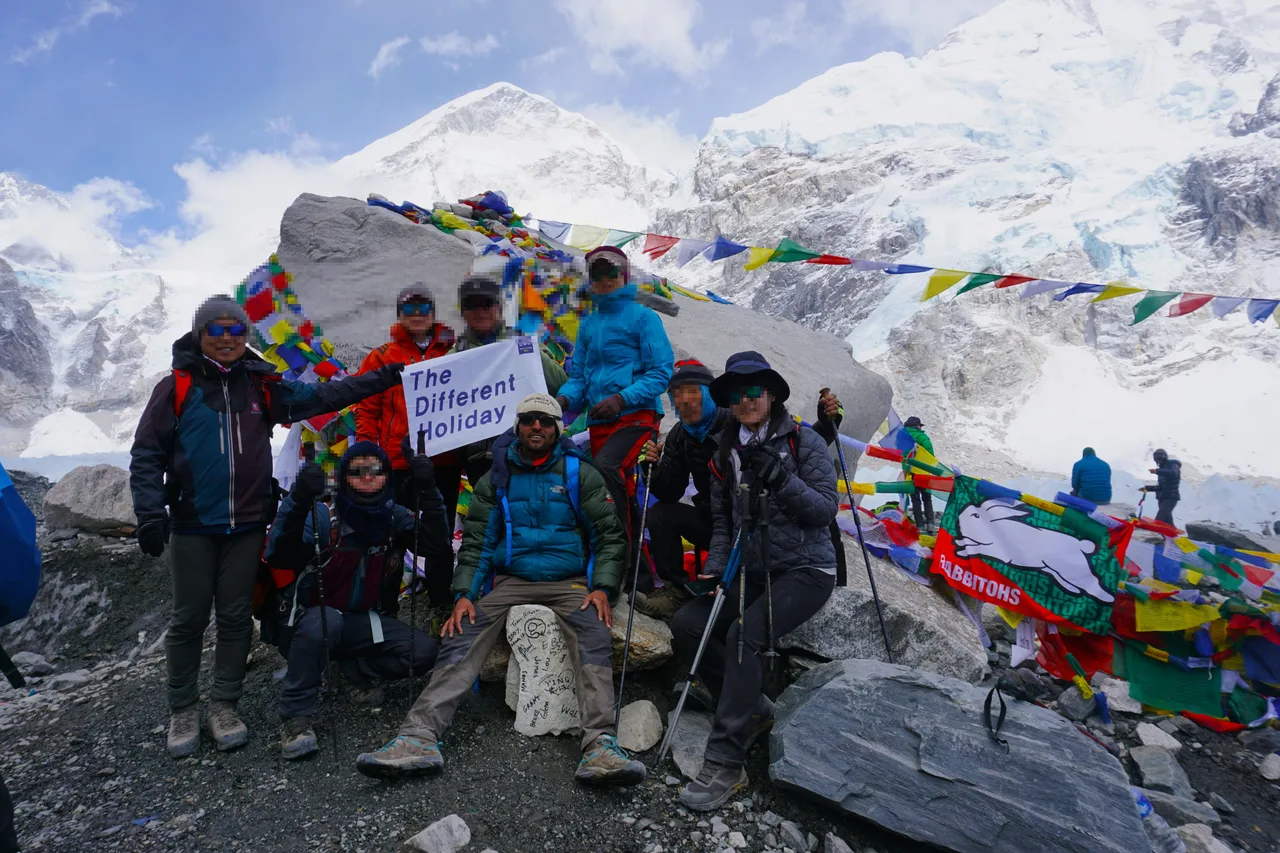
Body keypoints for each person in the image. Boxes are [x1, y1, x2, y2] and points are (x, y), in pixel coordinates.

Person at [130, 295, 405, 759]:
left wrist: (381, 379)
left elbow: (323, 396)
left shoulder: (261, 386)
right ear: (199, 335)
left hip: (249, 523)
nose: (226, 339)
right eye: (215, 330)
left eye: (236, 331)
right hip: (194, 522)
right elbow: (147, 454)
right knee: (189, 618)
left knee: (237, 616)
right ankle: (182, 708)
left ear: (246, 338)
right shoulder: (176, 387)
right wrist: (150, 512)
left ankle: (224, 705)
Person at [354, 393, 645, 786]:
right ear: (517, 427)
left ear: (558, 427)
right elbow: (477, 543)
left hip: (570, 581)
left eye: (544, 419)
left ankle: (600, 746)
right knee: (463, 630)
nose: (536, 426)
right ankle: (418, 737)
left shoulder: (580, 473)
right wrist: (463, 596)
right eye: (528, 419)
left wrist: (604, 589)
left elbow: (611, 536)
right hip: (512, 580)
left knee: (593, 631)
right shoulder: (497, 477)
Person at [670, 352, 838, 811]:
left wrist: (781, 477)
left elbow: (825, 511)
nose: (746, 400)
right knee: (688, 624)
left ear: (771, 395)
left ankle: (726, 762)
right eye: (736, 394)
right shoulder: (725, 453)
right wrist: (717, 569)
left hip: (806, 571)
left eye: (754, 391)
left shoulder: (804, 442)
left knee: (745, 634)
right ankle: (757, 707)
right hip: (753, 572)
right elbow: (724, 524)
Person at [263, 440, 450, 759]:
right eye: (356, 471)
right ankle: (295, 720)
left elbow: (436, 545)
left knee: (424, 652)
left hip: (363, 620)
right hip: (311, 621)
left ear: (386, 477)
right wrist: (297, 500)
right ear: (344, 478)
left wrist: (429, 490)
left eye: (376, 470)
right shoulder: (323, 517)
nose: (367, 477)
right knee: (328, 622)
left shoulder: (394, 516)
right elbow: (277, 554)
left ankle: (347, 668)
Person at [555, 246, 674, 569]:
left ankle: (616, 559)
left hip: (638, 416)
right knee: (616, 485)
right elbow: (579, 376)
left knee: (607, 469)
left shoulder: (643, 317)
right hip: (601, 421)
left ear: (623, 276)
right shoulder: (588, 326)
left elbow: (662, 371)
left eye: (611, 273)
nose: (605, 280)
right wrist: (563, 400)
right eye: (598, 274)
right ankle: (641, 572)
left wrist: (622, 399)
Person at [354, 284, 456, 611]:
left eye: (423, 308)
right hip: (395, 464)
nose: (416, 315)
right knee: (390, 540)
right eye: (408, 309)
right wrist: (369, 456)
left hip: (443, 462)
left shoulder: (453, 351)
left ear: (433, 312)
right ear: (399, 314)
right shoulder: (382, 356)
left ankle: (441, 608)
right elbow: (366, 409)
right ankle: (385, 611)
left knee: (439, 542)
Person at [449, 272, 568, 490]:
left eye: (486, 304)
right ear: (463, 312)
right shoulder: (454, 356)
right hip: (480, 460)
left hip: (528, 450)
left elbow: (559, 383)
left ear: (499, 307)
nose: (481, 311)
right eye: (472, 305)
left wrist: (527, 353)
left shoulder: (523, 340)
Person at [902, 416, 936, 532]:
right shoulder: (922, 437)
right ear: (917, 426)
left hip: (909, 473)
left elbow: (900, 454)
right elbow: (930, 455)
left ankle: (920, 527)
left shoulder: (901, 437)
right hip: (923, 473)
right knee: (927, 498)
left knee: (915, 499)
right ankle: (930, 524)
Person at [1142, 448, 1182, 527]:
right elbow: (1160, 487)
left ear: (1164, 457)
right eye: (1156, 459)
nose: (1158, 461)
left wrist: (1157, 471)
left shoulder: (1173, 465)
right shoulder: (1162, 469)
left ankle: (1156, 538)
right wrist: (1147, 488)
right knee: (1168, 521)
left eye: (1159, 458)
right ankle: (1174, 538)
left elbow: (1174, 473)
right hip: (1162, 498)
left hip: (1171, 497)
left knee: (1160, 519)